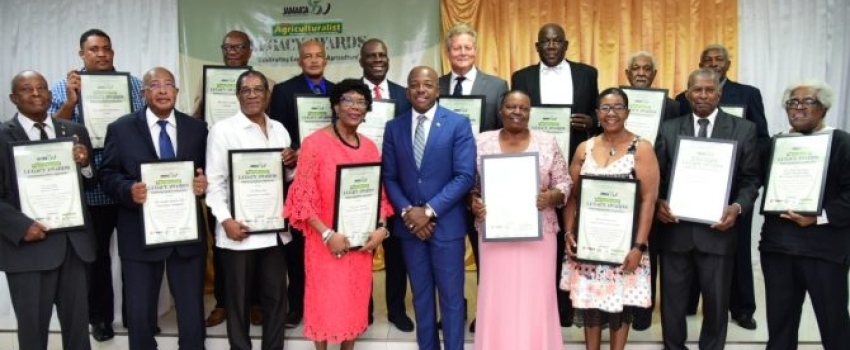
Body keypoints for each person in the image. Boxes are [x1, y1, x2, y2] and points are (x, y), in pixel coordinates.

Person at [99, 67, 208, 350]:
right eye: (155, 85)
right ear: (143, 93)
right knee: (139, 311)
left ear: (177, 92)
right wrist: (128, 190)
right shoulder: (121, 129)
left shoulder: (197, 129)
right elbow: (107, 174)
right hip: (138, 232)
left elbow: (208, 172)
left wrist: (203, 184)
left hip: (185, 233)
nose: (162, 90)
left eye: (168, 84)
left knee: (192, 311)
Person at [48, 28, 145, 341]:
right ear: (82, 54)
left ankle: (137, 317)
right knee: (96, 257)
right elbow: (50, 132)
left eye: (106, 48)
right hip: (90, 187)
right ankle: (100, 318)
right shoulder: (64, 86)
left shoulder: (131, 84)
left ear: (113, 52)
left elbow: (146, 126)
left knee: (135, 254)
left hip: (128, 182)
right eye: (94, 49)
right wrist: (72, 101)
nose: (101, 54)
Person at [655, 68, 761, 350]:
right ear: (687, 93)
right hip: (676, 230)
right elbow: (658, 178)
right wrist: (658, 203)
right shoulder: (669, 128)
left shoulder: (743, 129)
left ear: (719, 93)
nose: (702, 95)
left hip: (718, 231)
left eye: (709, 90)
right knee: (673, 303)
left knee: (716, 304)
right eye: (697, 90)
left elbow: (751, 180)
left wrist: (737, 208)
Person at [285, 79, 393, 350]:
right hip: (325, 243)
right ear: (335, 105)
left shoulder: (370, 147)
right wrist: (327, 234)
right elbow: (303, 197)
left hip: (360, 243)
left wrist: (382, 228)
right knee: (325, 303)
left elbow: (378, 195)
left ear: (367, 110)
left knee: (354, 303)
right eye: (348, 100)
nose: (355, 107)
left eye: (361, 102)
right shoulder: (314, 144)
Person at [510, 22, 599, 327]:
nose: (550, 46)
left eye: (556, 41)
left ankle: (570, 305)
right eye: (544, 42)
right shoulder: (521, 77)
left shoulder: (588, 74)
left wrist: (591, 121)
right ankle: (540, 306)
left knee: (572, 234)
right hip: (532, 169)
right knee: (541, 239)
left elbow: (600, 118)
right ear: (537, 46)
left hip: (575, 164)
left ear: (565, 44)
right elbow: (516, 119)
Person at [675, 44, 769, 330]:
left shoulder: (748, 93)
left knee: (737, 250)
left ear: (729, 64)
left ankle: (741, 308)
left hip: (733, 191)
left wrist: (747, 189)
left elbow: (761, 138)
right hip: (691, 191)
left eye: (720, 60)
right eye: (708, 60)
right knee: (690, 244)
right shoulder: (682, 98)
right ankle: (690, 302)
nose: (714, 63)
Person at [0, 70, 96, 350]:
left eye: (41, 88)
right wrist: (20, 226)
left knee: (78, 332)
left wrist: (87, 164)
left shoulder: (74, 132)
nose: (36, 94)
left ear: (51, 95)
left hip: (73, 247)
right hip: (28, 250)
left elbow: (91, 184)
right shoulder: (1, 136)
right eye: (27, 89)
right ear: (13, 98)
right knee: (33, 333)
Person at [382, 66, 476, 350]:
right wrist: (410, 213)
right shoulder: (394, 127)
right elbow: (390, 177)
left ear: (438, 89)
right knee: (421, 300)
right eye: (414, 85)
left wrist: (429, 211)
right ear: (407, 90)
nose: (421, 90)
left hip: (446, 228)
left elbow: (464, 176)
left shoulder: (458, 124)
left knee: (451, 300)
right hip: (410, 229)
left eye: (427, 84)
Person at [469, 90, 570, 349]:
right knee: (497, 295)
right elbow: (470, 184)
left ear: (530, 112)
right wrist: (474, 202)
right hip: (494, 231)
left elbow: (565, 183)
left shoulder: (547, 141)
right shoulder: (481, 141)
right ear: (500, 110)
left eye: (523, 108)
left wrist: (552, 197)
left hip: (539, 233)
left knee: (536, 296)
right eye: (511, 107)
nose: (517, 112)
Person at [561, 88, 659, 350]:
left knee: (620, 304)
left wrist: (639, 246)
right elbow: (571, 196)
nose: (611, 113)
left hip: (624, 246)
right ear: (597, 113)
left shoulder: (642, 148)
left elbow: (649, 200)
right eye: (605, 108)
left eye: (617, 107)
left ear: (627, 112)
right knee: (591, 303)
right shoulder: (585, 148)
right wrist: (569, 233)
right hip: (589, 244)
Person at [205, 70, 297, 350]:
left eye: (259, 89)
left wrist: (292, 163)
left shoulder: (280, 129)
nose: (253, 95)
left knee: (275, 300)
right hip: (239, 233)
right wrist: (226, 220)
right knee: (238, 303)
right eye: (246, 90)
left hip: (273, 232)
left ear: (268, 95)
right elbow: (215, 183)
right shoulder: (223, 130)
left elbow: (288, 181)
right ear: (238, 95)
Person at [759, 80, 850, 350]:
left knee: (834, 323)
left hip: (825, 250)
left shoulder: (842, 143)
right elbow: (757, 181)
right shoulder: (777, 144)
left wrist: (818, 216)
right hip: (778, 247)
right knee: (780, 324)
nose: (798, 108)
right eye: (792, 103)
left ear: (824, 108)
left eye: (807, 102)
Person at [192, 29, 267, 328]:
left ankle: (256, 303)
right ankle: (224, 302)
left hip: (258, 181)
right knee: (224, 246)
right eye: (227, 47)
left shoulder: (265, 82)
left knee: (261, 242)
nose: (232, 51)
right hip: (222, 170)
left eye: (239, 47)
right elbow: (196, 118)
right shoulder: (206, 80)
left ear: (250, 51)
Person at [438, 24, 509, 332]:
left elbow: (504, 133)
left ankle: (487, 311)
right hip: (446, 184)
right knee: (450, 253)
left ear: (475, 50)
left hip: (484, 185)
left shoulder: (496, 85)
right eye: (457, 48)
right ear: (448, 51)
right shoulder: (435, 85)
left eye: (468, 47)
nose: (463, 53)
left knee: (486, 254)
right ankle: (454, 311)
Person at [269, 39, 336, 327]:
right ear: (299, 60)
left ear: (326, 59)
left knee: (326, 248)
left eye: (318, 56)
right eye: (307, 56)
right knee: (297, 249)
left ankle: (328, 304)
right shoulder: (284, 91)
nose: (313, 60)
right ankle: (296, 306)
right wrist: (295, 151)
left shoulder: (338, 91)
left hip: (331, 180)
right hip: (299, 179)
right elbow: (277, 132)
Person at [358, 38, 414, 332]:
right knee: (360, 247)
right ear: (361, 61)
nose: (377, 60)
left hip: (395, 183)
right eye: (371, 56)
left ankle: (395, 309)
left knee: (396, 252)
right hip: (358, 183)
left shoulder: (404, 95)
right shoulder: (349, 93)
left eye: (382, 55)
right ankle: (361, 310)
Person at [623, 50, 680, 331]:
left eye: (647, 69)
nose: (642, 73)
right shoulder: (616, 102)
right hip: (620, 186)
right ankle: (622, 307)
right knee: (622, 248)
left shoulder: (670, 106)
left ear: (655, 75)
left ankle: (644, 313)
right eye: (636, 68)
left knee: (650, 249)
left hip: (655, 187)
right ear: (627, 74)